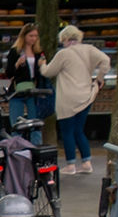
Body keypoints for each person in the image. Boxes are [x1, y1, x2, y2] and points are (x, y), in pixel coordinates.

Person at [41, 24, 110, 174]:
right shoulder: (90, 49)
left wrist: (42, 65)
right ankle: (86, 163)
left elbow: (48, 72)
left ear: (65, 39)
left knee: (67, 132)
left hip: (67, 98)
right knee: (79, 130)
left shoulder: (63, 54)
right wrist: (99, 79)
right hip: (86, 95)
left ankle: (70, 165)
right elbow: (106, 61)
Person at [4, 24, 47, 126]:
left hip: (33, 89)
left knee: (35, 122)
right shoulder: (15, 51)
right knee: (16, 123)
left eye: (35, 36)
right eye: (31, 36)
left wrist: (42, 65)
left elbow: (42, 73)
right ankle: (17, 141)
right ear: (24, 36)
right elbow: (9, 73)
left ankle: (35, 142)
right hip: (17, 90)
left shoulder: (38, 52)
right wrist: (17, 64)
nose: (33, 39)